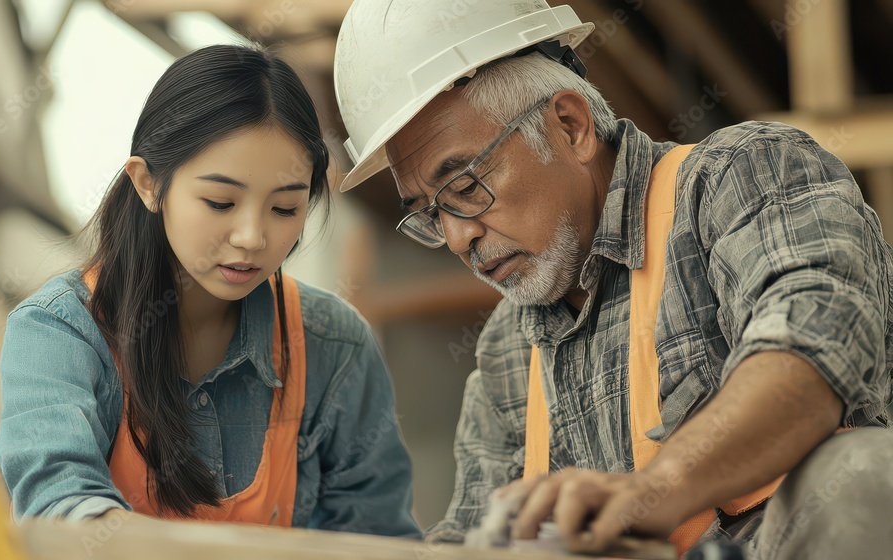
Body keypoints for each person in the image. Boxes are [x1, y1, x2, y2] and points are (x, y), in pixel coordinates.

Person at [332, 1, 893, 557]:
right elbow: (472, 538)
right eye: (431, 213)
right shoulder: (508, 347)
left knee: (861, 471)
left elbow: (811, 357)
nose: (457, 238)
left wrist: (650, 493)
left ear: (570, 126)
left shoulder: (739, 180)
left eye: (466, 187)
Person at [0, 43, 420, 538]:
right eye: (221, 202)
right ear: (149, 183)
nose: (252, 237)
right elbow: (58, 504)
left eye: (284, 209)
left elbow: (378, 539)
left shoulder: (334, 345)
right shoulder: (59, 333)